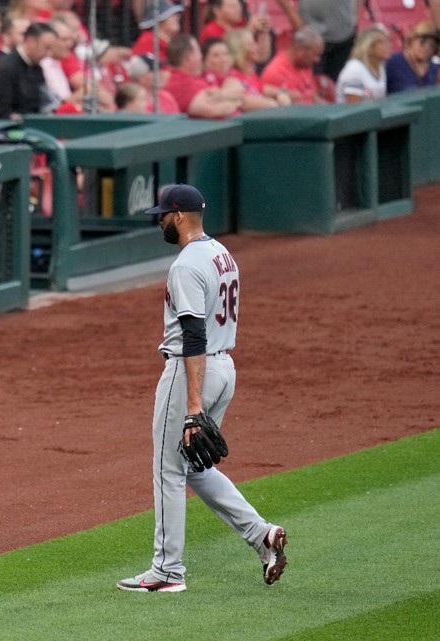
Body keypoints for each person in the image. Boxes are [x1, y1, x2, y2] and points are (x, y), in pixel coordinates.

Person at [116, 183, 287, 593]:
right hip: (224, 367)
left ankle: (167, 571)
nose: (159, 221)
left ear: (177, 216)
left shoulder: (186, 265)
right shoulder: (221, 254)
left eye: (162, 215)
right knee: (194, 466)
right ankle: (261, 534)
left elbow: (193, 335)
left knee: (167, 469)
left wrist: (193, 407)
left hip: (192, 370)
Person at [0, 22, 61, 120]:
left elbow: (43, 102)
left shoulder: (37, 68)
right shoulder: (6, 68)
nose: (48, 54)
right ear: (30, 42)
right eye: (46, 48)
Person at [273, 0, 357, 82]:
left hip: (344, 35)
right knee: (308, 89)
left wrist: (354, 17)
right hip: (310, 37)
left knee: (336, 88)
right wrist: (296, 21)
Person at [163, 34, 241, 119]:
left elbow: (235, 83)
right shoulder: (180, 83)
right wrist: (237, 101)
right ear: (189, 58)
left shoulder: (203, 74)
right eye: (198, 51)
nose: (201, 56)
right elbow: (215, 111)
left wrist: (221, 95)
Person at [202, 37, 277, 111]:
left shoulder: (233, 73)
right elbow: (244, 101)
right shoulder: (208, 78)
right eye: (216, 55)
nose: (223, 59)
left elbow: (259, 88)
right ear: (204, 60)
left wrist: (280, 93)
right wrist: (273, 104)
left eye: (226, 54)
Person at [260, 26, 327, 105]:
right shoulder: (276, 72)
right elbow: (292, 110)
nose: (317, 60)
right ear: (300, 50)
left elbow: (312, 97)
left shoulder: (304, 65)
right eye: (315, 55)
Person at [335, 25, 391, 104]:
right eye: (381, 42)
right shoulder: (355, 70)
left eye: (387, 41)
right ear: (369, 47)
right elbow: (354, 108)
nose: (388, 46)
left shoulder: (380, 67)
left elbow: (369, 94)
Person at [386, 21, 439, 94]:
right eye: (422, 42)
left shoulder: (433, 67)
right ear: (412, 40)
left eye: (432, 46)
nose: (427, 48)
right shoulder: (392, 62)